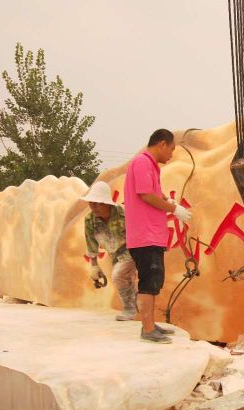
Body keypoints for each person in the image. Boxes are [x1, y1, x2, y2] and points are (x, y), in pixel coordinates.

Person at [124, 128, 193, 344]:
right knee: (148, 281)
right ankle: (147, 329)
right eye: (171, 149)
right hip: (145, 234)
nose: (171, 155)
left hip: (152, 234)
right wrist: (173, 209)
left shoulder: (151, 166)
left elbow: (155, 193)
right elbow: (146, 195)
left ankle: (151, 325)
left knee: (153, 280)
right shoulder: (142, 162)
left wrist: (168, 201)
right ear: (162, 144)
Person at [82, 181, 137, 321]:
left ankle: (129, 309)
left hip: (132, 250)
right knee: (126, 280)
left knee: (118, 275)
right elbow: (91, 243)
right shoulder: (89, 220)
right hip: (115, 254)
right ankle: (136, 307)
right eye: (91, 203)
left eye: (97, 203)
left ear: (106, 203)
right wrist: (94, 266)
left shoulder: (124, 213)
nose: (93, 207)